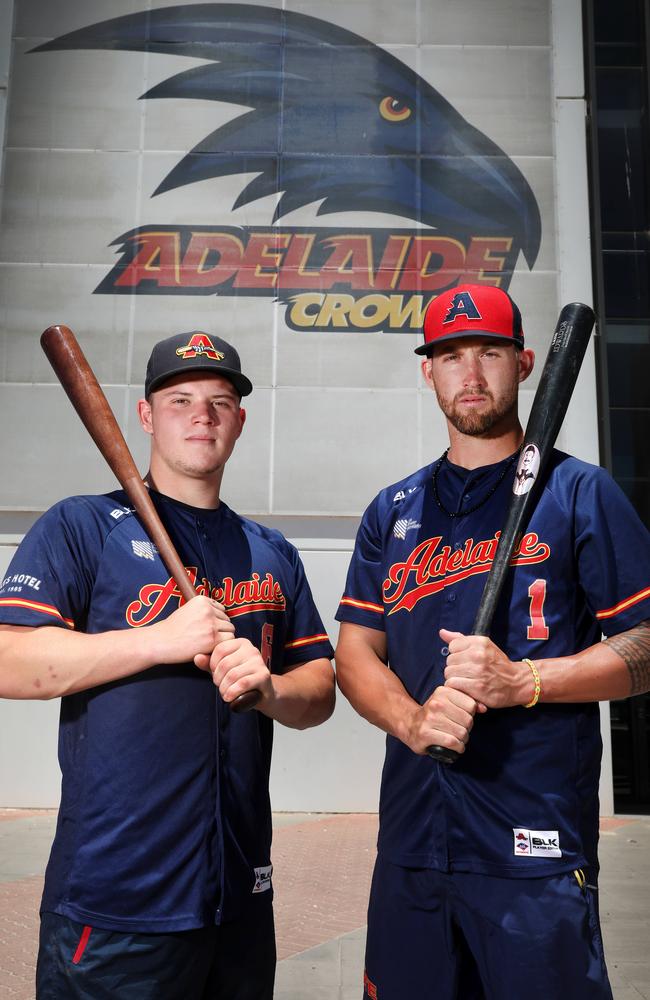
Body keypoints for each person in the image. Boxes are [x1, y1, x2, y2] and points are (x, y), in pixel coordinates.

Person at [334, 283, 650, 1000]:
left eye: (488, 353)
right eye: (450, 355)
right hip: (413, 849)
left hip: (532, 854)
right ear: (428, 372)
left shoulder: (579, 493)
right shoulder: (394, 509)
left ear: (526, 362)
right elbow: (354, 656)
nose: (469, 373)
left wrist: (525, 682)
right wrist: (412, 720)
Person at [0, 330, 335, 1000]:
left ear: (240, 421)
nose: (201, 415)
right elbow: (9, 659)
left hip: (239, 901)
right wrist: (159, 639)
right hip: (116, 907)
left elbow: (319, 692)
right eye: (180, 399)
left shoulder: (270, 553)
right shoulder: (82, 527)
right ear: (147, 416)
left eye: (219, 401)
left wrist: (267, 688)